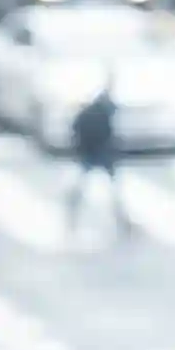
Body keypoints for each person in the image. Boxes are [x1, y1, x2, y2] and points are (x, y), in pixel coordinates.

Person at [63, 71, 130, 238]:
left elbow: (76, 129)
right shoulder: (103, 112)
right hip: (99, 151)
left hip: (91, 151)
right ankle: (121, 219)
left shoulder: (91, 111)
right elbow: (107, 133)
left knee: (87, 183)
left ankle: (73, 212)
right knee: (111, 186)